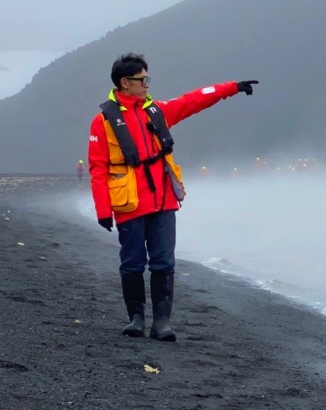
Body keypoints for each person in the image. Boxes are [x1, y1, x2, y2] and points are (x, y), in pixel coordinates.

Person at [88, 52, 258, 341]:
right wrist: (103, 210)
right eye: (142, 80)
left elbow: (193, 101)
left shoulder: (157, 111)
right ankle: (137, 320)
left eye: (147, 79)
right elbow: (98, 168)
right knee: (132, 263)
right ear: (125, 82)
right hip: (129, 202)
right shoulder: (103, 121)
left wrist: (231, 87)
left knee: (164, 262)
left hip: (164, 199)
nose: (147, 85)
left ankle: (162, 324)